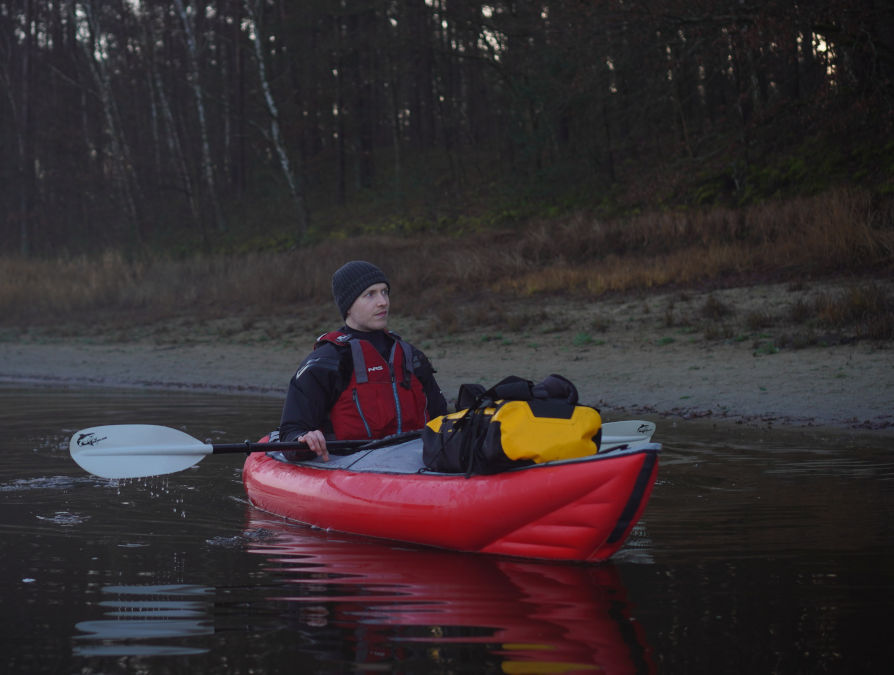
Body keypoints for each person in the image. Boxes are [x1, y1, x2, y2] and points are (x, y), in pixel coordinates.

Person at [279, 260, 448, 460]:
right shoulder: (327, 361)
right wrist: (304, 438)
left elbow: (441, 421)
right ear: (348, 306)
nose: (383, 302)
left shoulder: (412, 357)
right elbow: (291, 432)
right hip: (353, 464)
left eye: (384, 292)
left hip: (416, 462)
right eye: (370, 294)